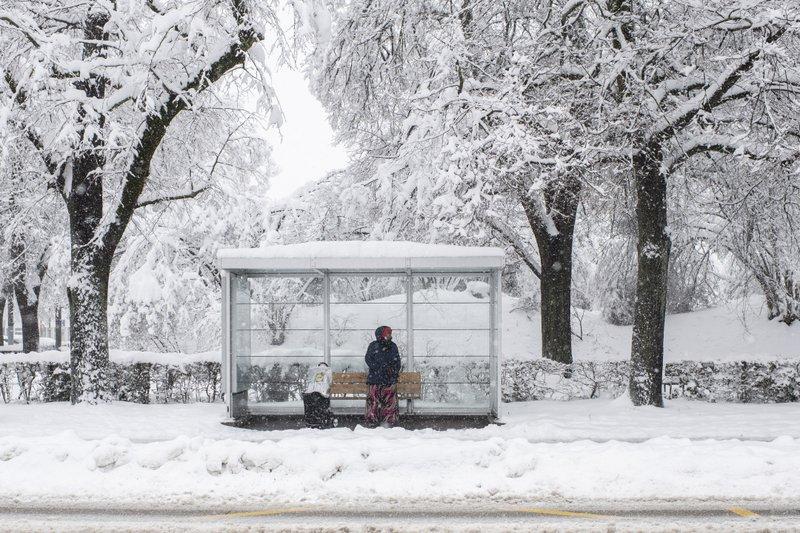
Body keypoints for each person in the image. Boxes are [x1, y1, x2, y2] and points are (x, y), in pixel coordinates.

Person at [364, 325, 402, 428]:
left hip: (389, 380)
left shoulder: (393, 346)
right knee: (373, 402)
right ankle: (372, 422)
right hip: (375, 380)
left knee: (390, 403)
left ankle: (389, 423)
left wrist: (392, 371)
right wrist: (380, 368)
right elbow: (368, 360)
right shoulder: (373, 345)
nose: (390, 335)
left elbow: (397, 362)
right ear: (381, 334)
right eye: (387, 333)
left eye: (390, 333)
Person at [302, 362, 335, 429]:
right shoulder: (314, 377)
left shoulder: (327, 375)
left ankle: (313, 421)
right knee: (311, 397)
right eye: (320, 368)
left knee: (314, 397)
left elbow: (327, 385)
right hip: (316, 394)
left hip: (321, 395)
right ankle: (313, 420)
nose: (321, 369)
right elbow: (311, 386)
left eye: (323, 368)